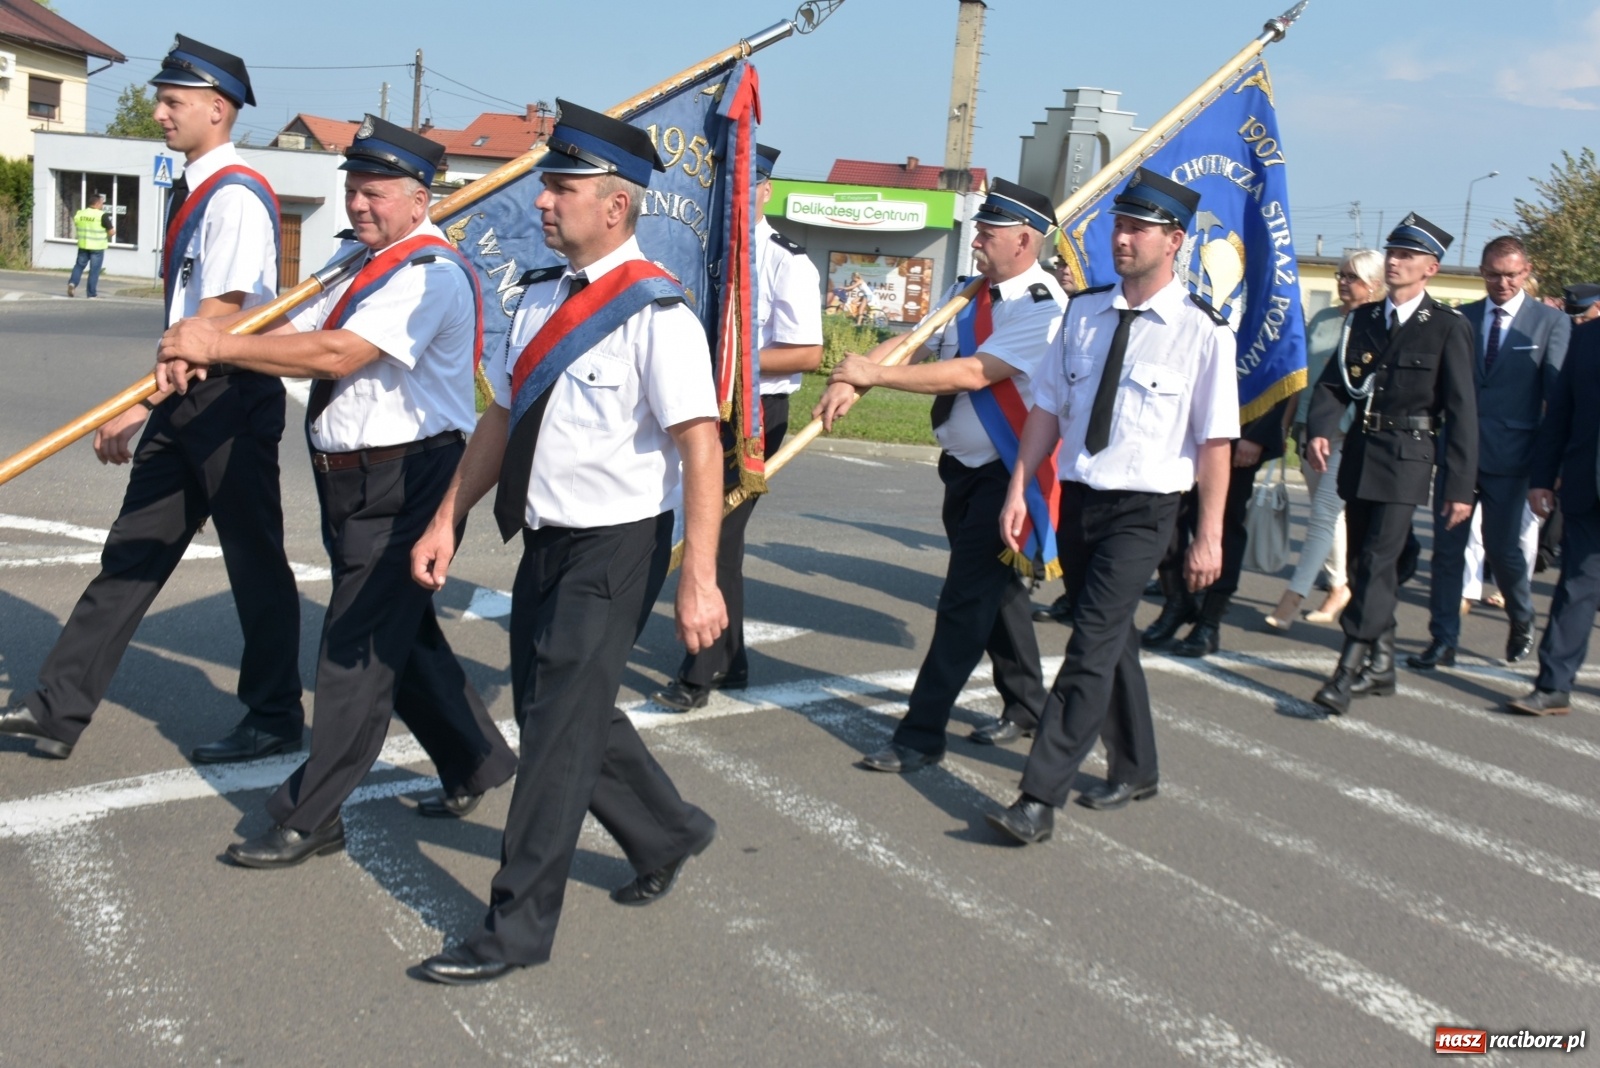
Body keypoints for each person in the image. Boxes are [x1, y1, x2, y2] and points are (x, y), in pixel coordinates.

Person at [406, 101, 725, 985]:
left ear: (614, 206)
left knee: (550, 740)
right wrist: (447, 518)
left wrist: (698, 575)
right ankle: (669, 829)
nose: (542, 202)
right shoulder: (543, 297)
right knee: (561, 713)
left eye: (562, 187)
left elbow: (702, 443)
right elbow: (502, 416)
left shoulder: (659, 312)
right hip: (545, 541)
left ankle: (514, 929)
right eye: (547, 184)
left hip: (617, 548)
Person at [156, 115, 519, 866]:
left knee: (353, 651)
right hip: (350, 483)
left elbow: (335, 353)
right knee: (404, 640)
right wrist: (214, 352)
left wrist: (219, 345)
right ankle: (474, 760)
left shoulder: (429, 275)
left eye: (375, 193)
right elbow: (295, 325)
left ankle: (311, 815)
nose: (358, 205)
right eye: (352, 189)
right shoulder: (361, 262)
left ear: (420, 200)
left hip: (408, 480)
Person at [0, 36, 303, 763]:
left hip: (228, 398)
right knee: (133, 550)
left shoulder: (235, 196)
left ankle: (275, 715)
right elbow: (184, 328)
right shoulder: (197, 187)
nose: (160, 113)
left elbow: (220, 319)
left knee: (255, 563)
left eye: (173, 102)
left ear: (218, 110)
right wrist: (153, 399)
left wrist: (140, 405)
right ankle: (57, 705)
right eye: (163, 100)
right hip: (188, 396)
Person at [987, 168, 1237, 844]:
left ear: (1175, 240)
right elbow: (1047, 406)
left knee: (1090, 643)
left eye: (1137, 229)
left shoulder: (1202, 332)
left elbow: (1216, 443)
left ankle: (1038, 797)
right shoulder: (1084, 313)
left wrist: (1208, 535)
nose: (1120, 239)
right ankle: (1138, 765)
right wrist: (1019, 486)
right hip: (1082, 502)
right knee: (1114, 635)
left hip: (1146, 511)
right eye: (1119, 226)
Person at [817, 178, 1067, 765]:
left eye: (989, 230)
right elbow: (915, 342)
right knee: (996, 592)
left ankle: (920, 735)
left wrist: (874, 377)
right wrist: (852, 374)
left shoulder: (1043, 308)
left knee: (963, 602)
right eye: (979, 228)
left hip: (1007, 476)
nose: (976, 238)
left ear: (1024, 240)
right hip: (961, 469)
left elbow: (974, 374)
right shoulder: (967, 292)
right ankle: (1028, 702)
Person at [653, 143, 823, 710]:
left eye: (749, 186)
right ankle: (735, 659)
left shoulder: (785, 259)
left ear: (767, 190)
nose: (737, 198)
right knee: (720, 536)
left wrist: (728, 359)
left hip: (754, 415)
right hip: (703, 404)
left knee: (716, 536)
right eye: (728, 187)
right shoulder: (704, 253)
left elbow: (805, 354)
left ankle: (700, 672)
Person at [1305, 214, 1476, 715]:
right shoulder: (1364, 319)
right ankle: (1383, 665)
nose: (1395, 261)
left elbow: (1464, 411)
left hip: (1408, 456)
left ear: (1431, 268)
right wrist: (1319, 427)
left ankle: (1347, 669)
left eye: (1407, 255)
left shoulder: (1447, 326)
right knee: (1362, 562)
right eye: (1392, 252)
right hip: (1361, 451)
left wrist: (1460, 486)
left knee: (1379, 561)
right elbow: (1335, 383)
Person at [1407, 236, 1568, 670]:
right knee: (1447, 549)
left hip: (1514, 458)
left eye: (1512, 274)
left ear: (1527, 271)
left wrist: (1551, 468)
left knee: (1502, 549)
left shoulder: (1549, 324)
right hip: (1458, 454)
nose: (1503, 283)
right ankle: (1443, 639)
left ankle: (1522, 616)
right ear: (1482, 271)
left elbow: (1557, 399)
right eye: (1495, 274)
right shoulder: (1462, 318)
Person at [1265, 250, 1385, 630]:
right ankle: (1339, 586)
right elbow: (1301, 378)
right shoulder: (1322, 319)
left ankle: (1294, 596)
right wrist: (1287, 423)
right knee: (1330, 517)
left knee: (1322, 517)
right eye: (1341, 274)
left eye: (1352, 276)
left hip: (1347, 435)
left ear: (1375, 285)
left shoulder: (1379, 326)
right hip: (1309, 430)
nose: (1342, 282)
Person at [1511, 310, 1600, 715]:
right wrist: (1542, 478)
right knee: (1577, 587)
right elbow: (1560, 413)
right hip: (1589, 487)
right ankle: (1552, 686)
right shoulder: (1586, 339)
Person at [67, 192, 111, 298]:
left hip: (83, 245)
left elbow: (78, 224)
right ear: (97, 204)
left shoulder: (80, 214)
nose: (102, 206)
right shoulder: (102, 215)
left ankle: (72, 283)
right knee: (94, 270)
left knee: (79, 266)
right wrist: (106, 234)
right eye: (101, 203)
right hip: (97, 247)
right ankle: (91, 293)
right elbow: (111, 231)